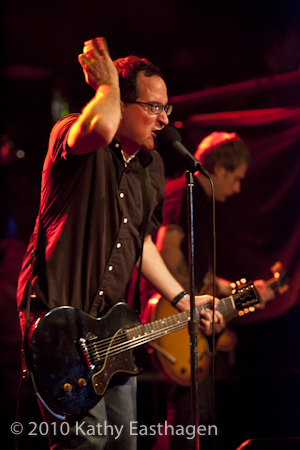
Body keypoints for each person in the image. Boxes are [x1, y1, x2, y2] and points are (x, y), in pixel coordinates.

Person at [15, 37, 223, 450]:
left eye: (167, 108)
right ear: (120, 104)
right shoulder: (75, 135)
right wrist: (107, 82)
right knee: (87, 442)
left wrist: (185, 300)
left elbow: (140, 242)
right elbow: (103, 126)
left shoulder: (152, 167)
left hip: (112, 330)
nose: (163, 120)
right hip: (59, 321)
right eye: (153, 107)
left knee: (123, 443)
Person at [149, 131, 275, 450]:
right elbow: (167, 254)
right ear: (218, 167)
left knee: (194, 413)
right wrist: (186, 303)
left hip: (186, 313)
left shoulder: (200, 203)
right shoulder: (184, 194)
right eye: (237, 178)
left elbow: (200, 277)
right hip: (174, 318)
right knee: (189, 414)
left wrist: (245, 291)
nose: (237, 188)